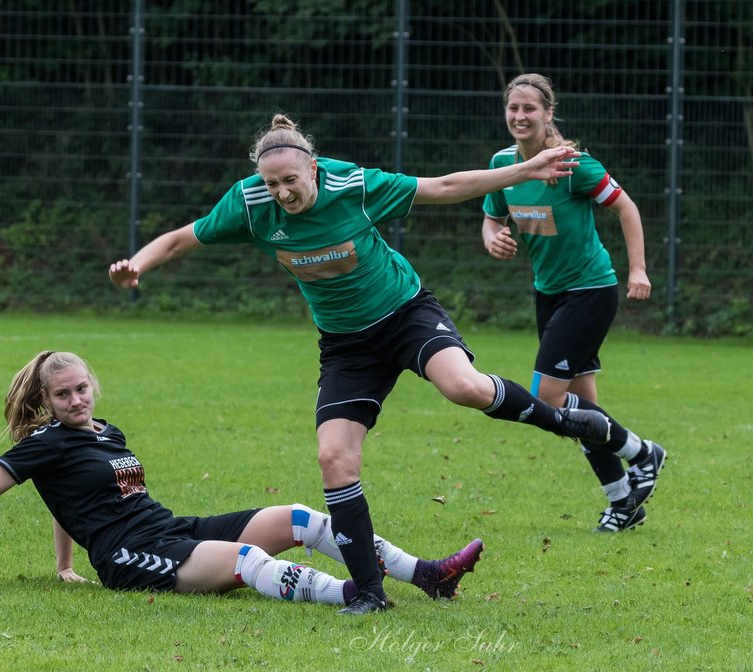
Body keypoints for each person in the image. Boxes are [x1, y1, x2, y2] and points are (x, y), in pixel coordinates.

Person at [107, 114, 613, 614]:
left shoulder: (352, 184)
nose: (282, 193)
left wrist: (524, 171)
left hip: (405, 314)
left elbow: (446, 186)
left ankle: (565, 421)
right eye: (272, 183)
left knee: (463, 387)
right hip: (347, 345)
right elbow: (181, 238)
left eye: (291, 181)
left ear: (313, 169)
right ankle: (371, 592)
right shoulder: (250, 202)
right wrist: (138, 265)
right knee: (334, 459)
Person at [0, 351, 484, 613]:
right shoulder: (44, 443)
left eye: (82, 388)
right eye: (63, 394)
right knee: (247, 560)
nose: (77, 399)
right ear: (45, 401)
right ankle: (354, 595)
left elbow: (68, 500)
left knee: (300, 518)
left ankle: (428, 576)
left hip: (169, 529)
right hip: (131, 557)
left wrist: (62, 565)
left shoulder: (107, 433)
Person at [482, 73, 667, 533]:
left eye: (530, 109)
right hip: (548, 294)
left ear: (549, 114)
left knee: (551, 399)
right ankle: (623, 500)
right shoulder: (503, 165)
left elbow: (626, 206)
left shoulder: (571, 164)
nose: (520, 116)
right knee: (581, 407)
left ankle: (643, 453)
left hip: (589, 291)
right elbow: (490, 219)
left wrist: (638, 269)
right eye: (513, 108)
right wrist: (493, 239)